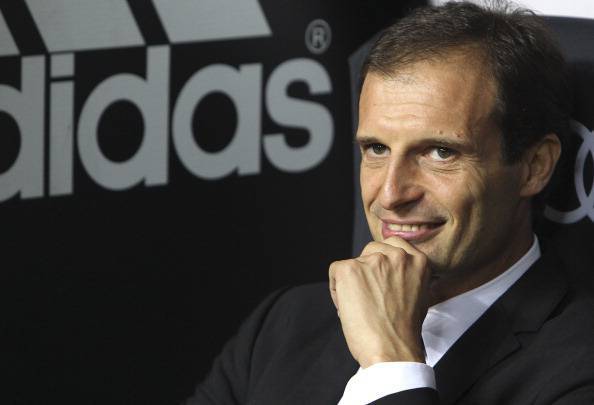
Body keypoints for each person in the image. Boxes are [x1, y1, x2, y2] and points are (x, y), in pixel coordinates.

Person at [185, 2, 594, 404]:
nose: (390, 194)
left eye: (440, 153)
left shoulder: (579, 366)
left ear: (534, 166)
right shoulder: (284, 325)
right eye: (376, 148)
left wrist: (391, 364)